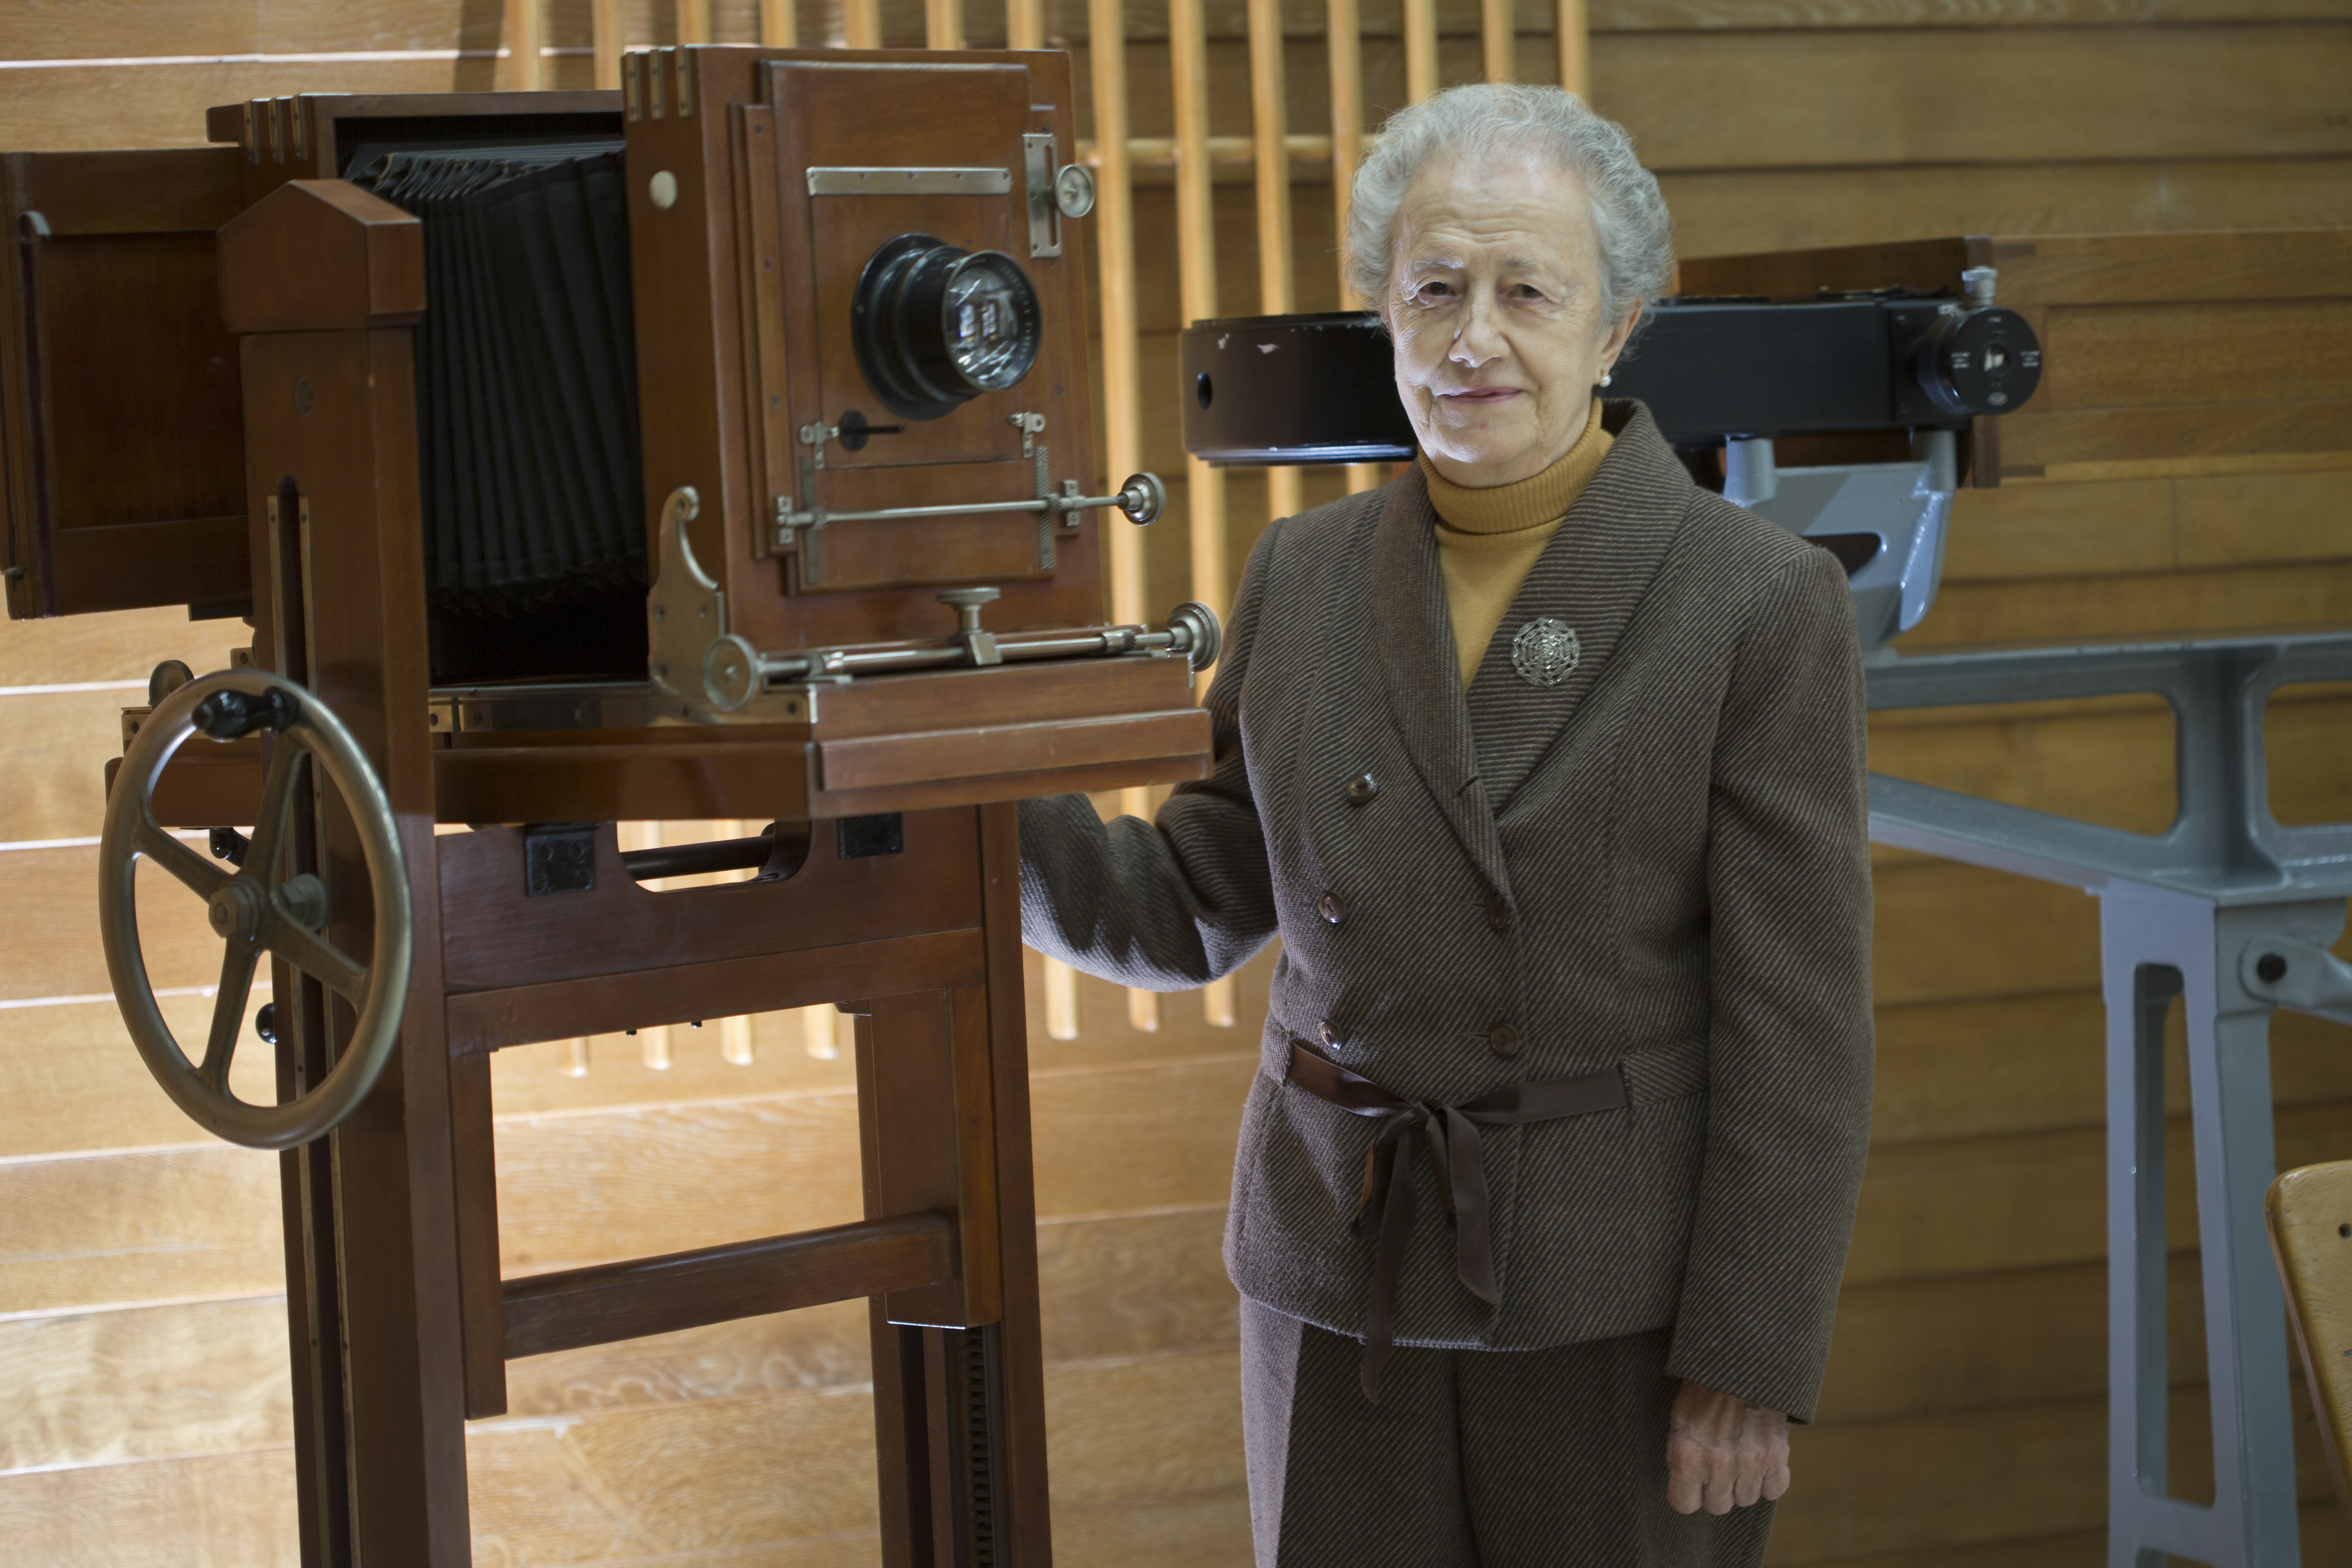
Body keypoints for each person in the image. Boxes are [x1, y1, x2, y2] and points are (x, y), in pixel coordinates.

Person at [1018, 81, 1873, 1567]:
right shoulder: (1304, 575)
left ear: (1616, 327)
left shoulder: (1754, 602)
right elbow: (1186, 902)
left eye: (1528, 290)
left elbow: (1799, 1029)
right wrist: (948, 784)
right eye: (1433, 290)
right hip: (1334, 1271)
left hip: (1615, 1304)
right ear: (1384, 316)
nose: (1474, 338)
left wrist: (1752, 1354)